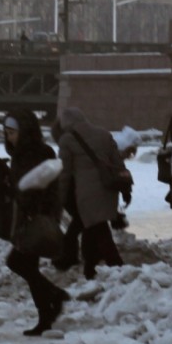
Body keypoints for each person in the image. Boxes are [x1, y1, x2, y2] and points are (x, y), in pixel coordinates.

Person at [3, 109, 70, 336]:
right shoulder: (23, 153)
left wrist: (37, 209)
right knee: (26, 265)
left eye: (12, 132)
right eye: (6, 132)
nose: (8, 137)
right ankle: (46, 315)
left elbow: (43, 185)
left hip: (35, 217)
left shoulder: (37, 152)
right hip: (27, 216)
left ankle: (53, 298)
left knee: (18, 262)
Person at [57, 108, 128, 279]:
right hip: (109, 189)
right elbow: (118, 163)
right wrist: (126, 188)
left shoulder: (67, 139)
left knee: (100, 230)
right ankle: (90, 269)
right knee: (91, 229)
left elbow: (65, 173)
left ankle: (119, 269)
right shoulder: (104, 133)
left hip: (86, 193)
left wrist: (59, 197)